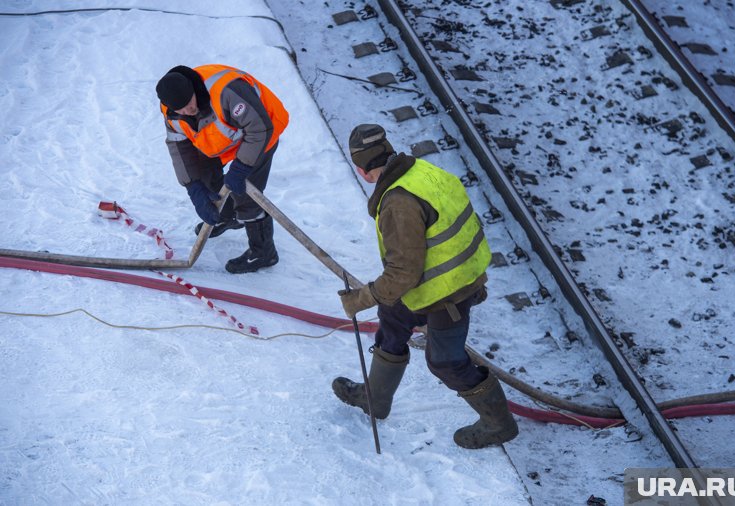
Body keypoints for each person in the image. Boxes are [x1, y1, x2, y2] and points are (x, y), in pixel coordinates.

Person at [333, 124, 519, 449]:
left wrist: (359, 300)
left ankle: (498, 424)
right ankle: (375, 399)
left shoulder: (397, 204)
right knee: (392, 314)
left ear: (362, 170)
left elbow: (402, 274)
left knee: (445, 361)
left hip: (449, 291)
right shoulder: (421, 171)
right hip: (457, 272)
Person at [155, 64, 289, 273]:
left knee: (245, 192)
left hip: (262, 133)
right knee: (204, 178)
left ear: (193, 89)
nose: (188, 111)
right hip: (221, 139)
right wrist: (192, 186)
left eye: (189, 103)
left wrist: (242, 167)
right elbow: (178, 147)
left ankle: (264, 252)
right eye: (180, 109)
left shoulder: (227, 90)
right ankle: (226, 216)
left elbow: (259, 128)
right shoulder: (171, 112)